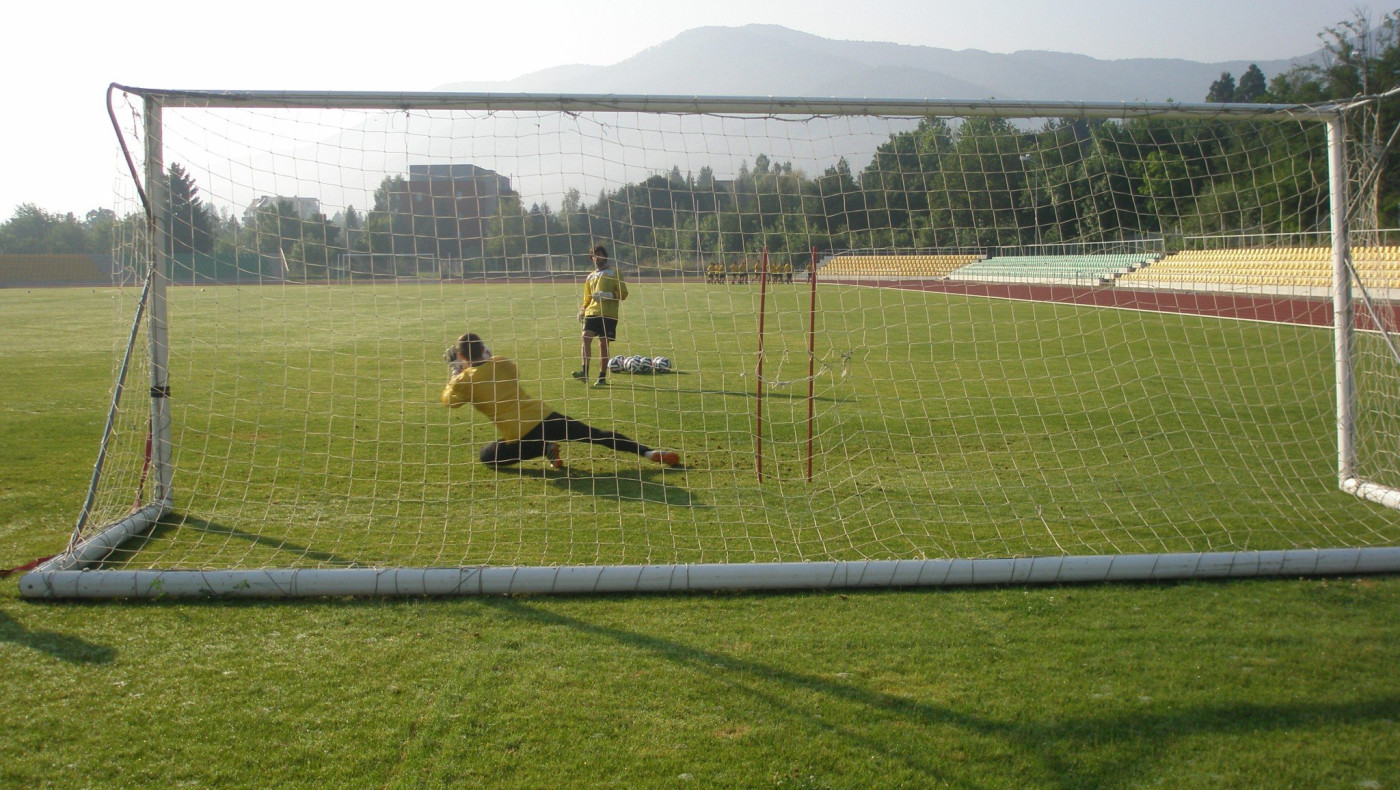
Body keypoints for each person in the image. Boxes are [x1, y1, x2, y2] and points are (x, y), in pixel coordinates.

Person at [443, 332, 680, 469]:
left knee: (487, 457)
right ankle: (648, 452)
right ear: (483, 349)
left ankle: (543, 447)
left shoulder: (462, 382)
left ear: (462, 355)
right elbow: (509, 371)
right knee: (595, 434)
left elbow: (450, 402)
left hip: (520, 435)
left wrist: (455, 370)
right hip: (545, 417)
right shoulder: (501, 362)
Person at [572, 244, 628, 387]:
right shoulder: (590, 276)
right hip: (592, 312)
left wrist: (607, 295)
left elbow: (623, 293)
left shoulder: (614, 272)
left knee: (603, 344)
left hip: (608, 314)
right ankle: (584, 373)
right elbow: (587, 298)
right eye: (594, 255)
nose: (597, 258)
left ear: (605, 256)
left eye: (600, 255)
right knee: (585, 337)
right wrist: (582, 310)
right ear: (591, 258)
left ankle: (602, 377)